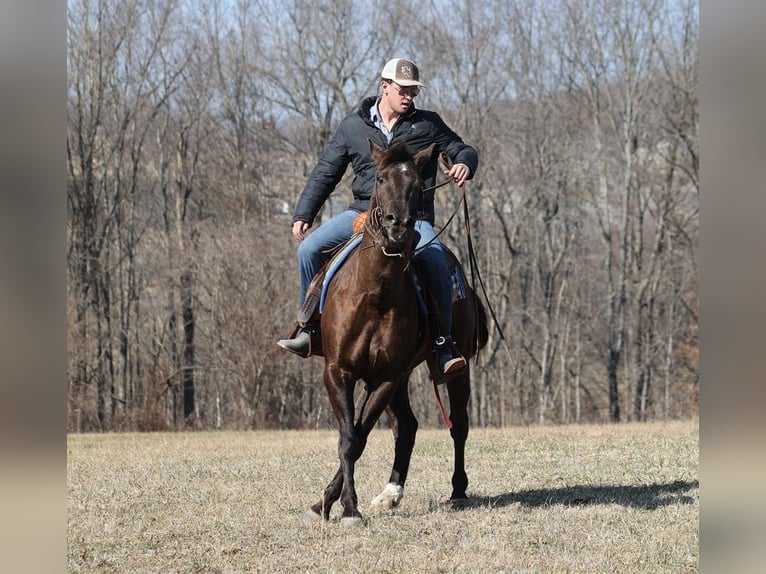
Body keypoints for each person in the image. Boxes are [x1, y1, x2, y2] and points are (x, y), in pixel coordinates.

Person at [277, 57, 479, 376]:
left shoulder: (427, 125)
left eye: (414, 91)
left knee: (438, 260)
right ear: (384, 87)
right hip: (361, 213)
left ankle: (443, 344)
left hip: (414, 218)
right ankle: (310, 329)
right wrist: (304, 213)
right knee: (308, 249)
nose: (409, 96)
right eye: (403, 90)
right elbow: (325, 172)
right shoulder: (353, 126)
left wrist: (465, 163)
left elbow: (462, 148)